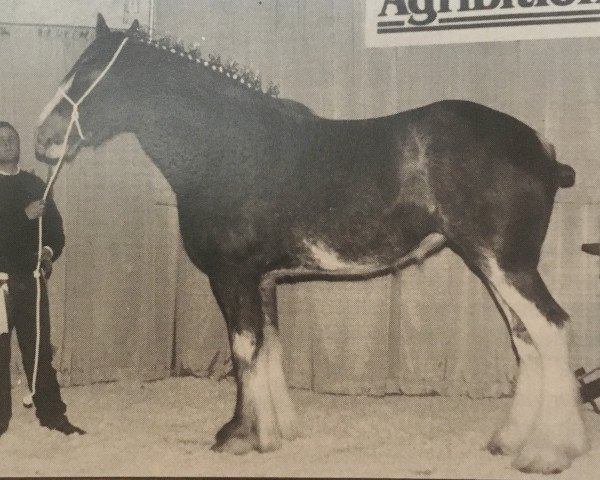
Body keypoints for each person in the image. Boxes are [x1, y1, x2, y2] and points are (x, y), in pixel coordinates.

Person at [0, 121, 84, 436]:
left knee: (39, 352)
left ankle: (52, 416)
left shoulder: (36, 185)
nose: (7, 143)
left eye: (12, 138)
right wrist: (23, 217)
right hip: (0, 285)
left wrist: (48, 252)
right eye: (0, 140)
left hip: (32, 283)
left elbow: (55, 233)